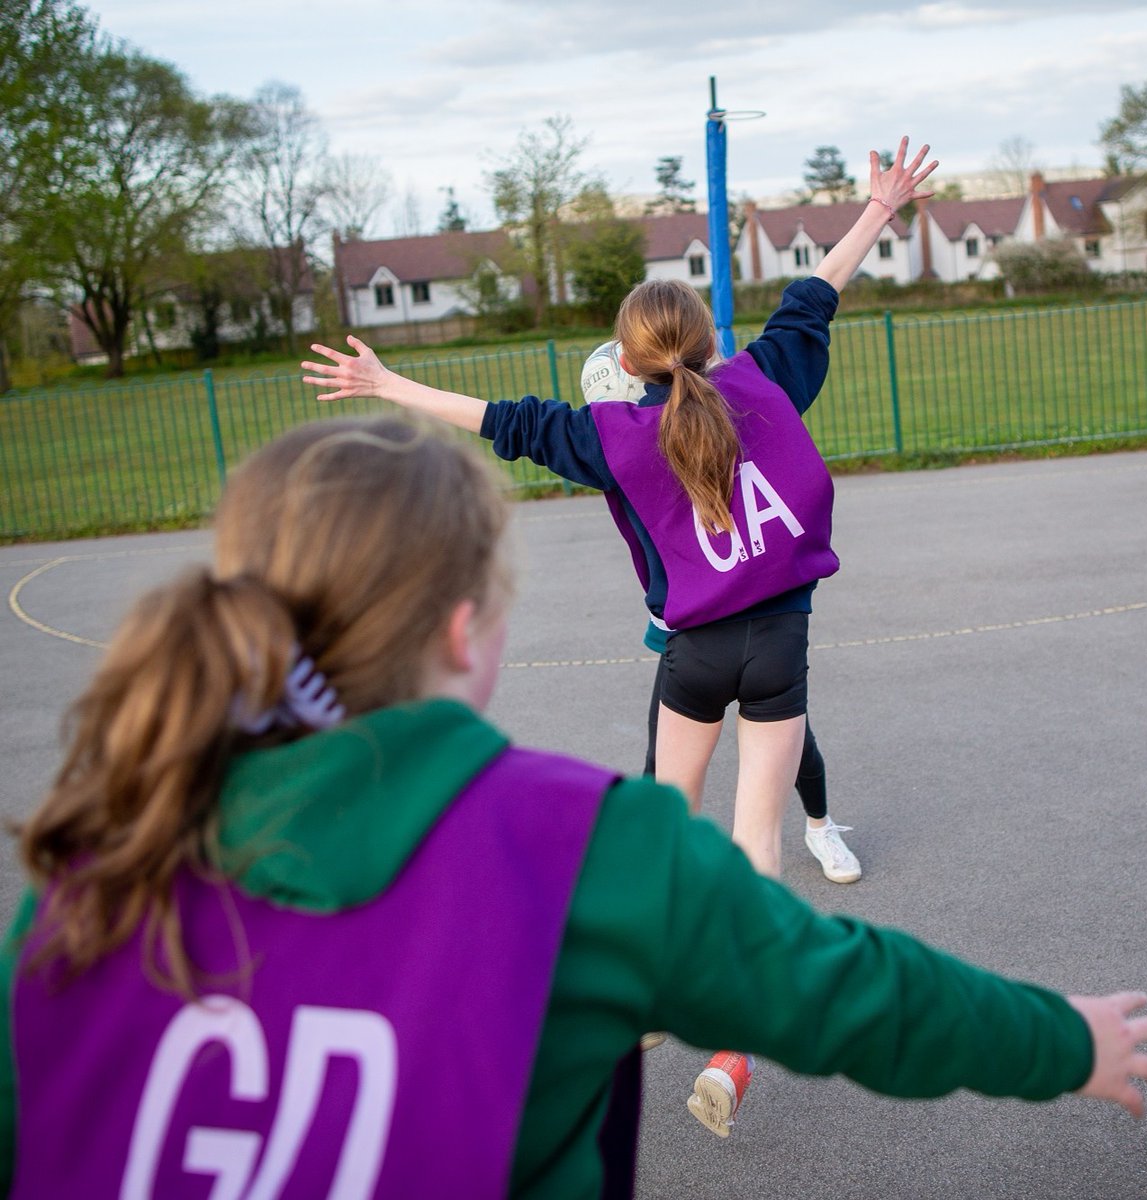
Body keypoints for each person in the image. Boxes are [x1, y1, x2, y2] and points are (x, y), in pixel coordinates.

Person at [0, 417, 1147, 1197]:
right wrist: (1066, 1039)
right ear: (467, 627)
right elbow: (849, 992)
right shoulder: (580, 846)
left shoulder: (96, 870)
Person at [302, 138, 932, 1132]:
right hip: (777, 650)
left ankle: (634, 998)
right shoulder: (767, 379)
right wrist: (880, 210)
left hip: (689, 655)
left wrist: (385, 384)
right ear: (706, 339)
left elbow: (497, 418)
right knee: (753, 853)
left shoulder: (611, 436)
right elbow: (819, 289)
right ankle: (732, 1055)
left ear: (624, 363)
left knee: (658, 834)